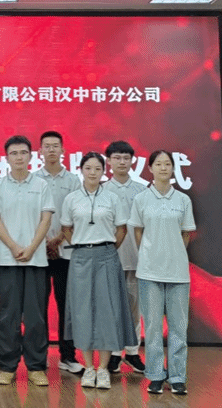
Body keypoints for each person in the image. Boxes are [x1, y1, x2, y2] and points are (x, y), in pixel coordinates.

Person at [61, 152, 136, 390]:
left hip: (107, 256)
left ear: (104, 171)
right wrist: (83, 245)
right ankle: (89, 368)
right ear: (81, 170)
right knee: (82, 311)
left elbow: (121, 229)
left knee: (106, 311)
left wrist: (107, 248)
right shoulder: (71, 198)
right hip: (81, 257)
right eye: (88, 168)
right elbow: (66, 228)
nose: (92, 172)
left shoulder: (112, 198)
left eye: (97, 169)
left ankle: (103, 369)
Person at [0, 135, 54, 387]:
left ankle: (36, 366)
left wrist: (32, 247)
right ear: (6, 158)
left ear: (31, 156)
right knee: (9, 315)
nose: (18, 157)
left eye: (23, 153)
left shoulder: (41, 185)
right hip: (7, 259)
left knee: (36, 316)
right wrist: (14, 247)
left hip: (36, 260)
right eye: (13, 153)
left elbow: (46, 219)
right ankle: (8, 366)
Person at [128, 150, 196, 396]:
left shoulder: (183, 200)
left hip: (178, 273)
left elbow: (186, 233)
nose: (164, 168)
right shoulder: (141, 199)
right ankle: (156, 375)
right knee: (153, 328)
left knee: (178, 328)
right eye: (159, 164)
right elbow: (138, 232)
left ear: (173, 168)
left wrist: (173, 253)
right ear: (150, 168)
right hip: (149, 272)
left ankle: (177, 377)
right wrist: (150, 253)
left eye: (168, 164)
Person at [34, 130, 83, 375]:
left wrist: (58, 240)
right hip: (38, 252)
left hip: (66, 252)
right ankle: (39, 356)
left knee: (67, 307)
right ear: (40, 151)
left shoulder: (73, 181)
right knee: (38, 306)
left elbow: (76, 215)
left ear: (63, 150)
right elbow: (31, 214)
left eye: (56, 146)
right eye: (47, 146)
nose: (51, 150)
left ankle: (67, 356)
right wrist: (43, 242)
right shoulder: (33, 179)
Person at [102, 140, 148, 375]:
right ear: (108, 161)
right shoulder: (102, 190)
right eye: (117, 158)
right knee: (111, 309)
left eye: (126, 158)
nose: (122, 162)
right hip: (109, 259)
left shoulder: (142, 190)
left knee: (134, 308)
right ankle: (113, 354)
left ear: (133, 161)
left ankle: (132, 352)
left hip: (138, 259)